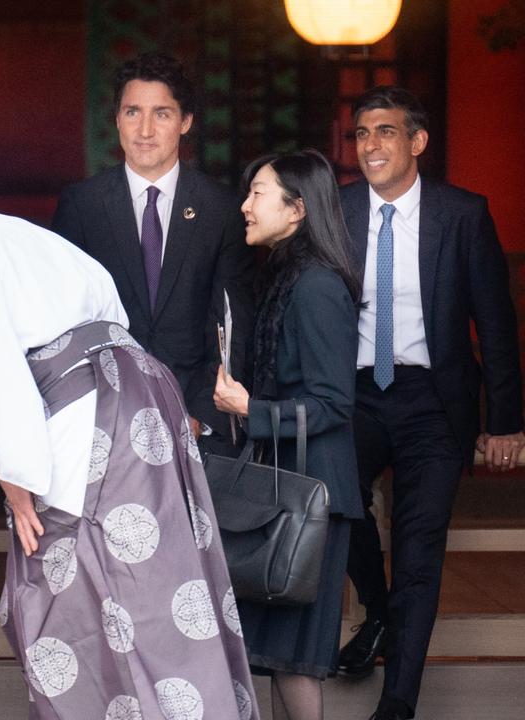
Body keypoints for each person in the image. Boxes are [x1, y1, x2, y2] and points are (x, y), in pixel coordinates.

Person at [0, 170, 257, 720]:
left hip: (83, 416)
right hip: (138, 393)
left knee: (71, 595)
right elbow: (107, 307)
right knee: (164, 580)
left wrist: (15, 479)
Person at [335, 86, 523, 720]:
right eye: (362, 134)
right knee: (335, 503)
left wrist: (506, 423)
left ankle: (398, 702)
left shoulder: (462, 213)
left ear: (417, 142)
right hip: (355, 395)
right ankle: (383, 615)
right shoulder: (333, 209)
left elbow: (494, 323)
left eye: (385, 132)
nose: (371, 146)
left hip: (432, 402)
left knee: (420, 548)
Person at [213, 149, 364, 720]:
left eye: (258, 193)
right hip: (290, 494)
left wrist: (251, 407)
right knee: (281, 660)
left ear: (297, 209)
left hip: (313, 501)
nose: (245, 206)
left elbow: (333, 404)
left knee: (296, 661)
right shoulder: (288, 276)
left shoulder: (317, 286)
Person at [52, 51, 254, 457]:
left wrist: (200, 415)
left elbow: (231, 327)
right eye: (132, 112)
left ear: (185, 122)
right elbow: (66, 321)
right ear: (116, 119)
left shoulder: (219, 209)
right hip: (103, 417)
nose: (144, 129)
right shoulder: (82, 204)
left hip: (196, 418)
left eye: (161, 114)